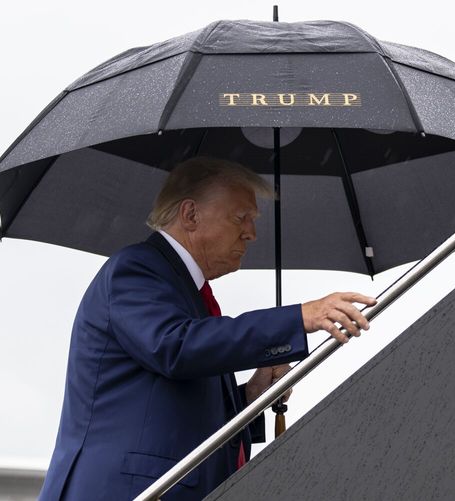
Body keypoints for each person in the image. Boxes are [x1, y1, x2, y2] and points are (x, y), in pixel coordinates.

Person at [39, 157, 376, 500]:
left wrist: (249, 398)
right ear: (190, 215)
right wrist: (296, 318)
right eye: (240, 218)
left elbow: (179, 402)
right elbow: (174, 347)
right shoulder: (135, 270)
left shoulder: (184, 290)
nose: (251, 233)